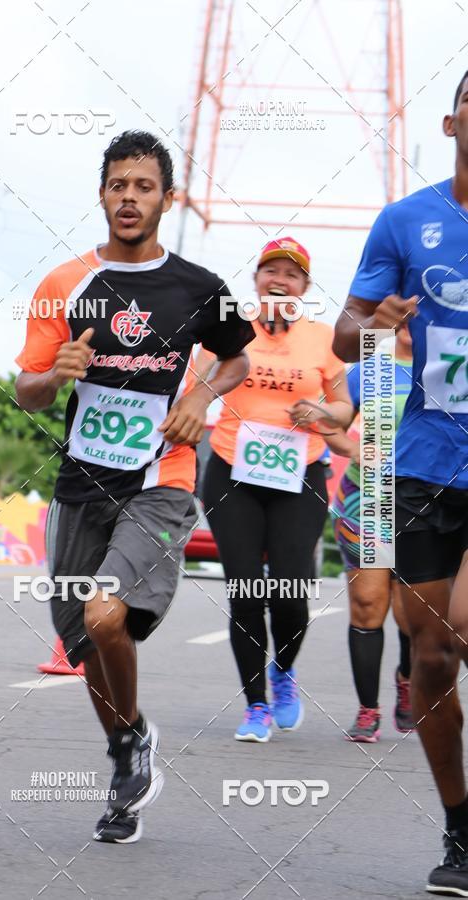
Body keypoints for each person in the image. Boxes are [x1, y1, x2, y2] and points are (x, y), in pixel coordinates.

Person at [14, 130, 254, 844]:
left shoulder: (199, 288)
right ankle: (129, 747)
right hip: (81, 485)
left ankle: (128, 745)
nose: (129, 197)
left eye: (143, 186)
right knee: (86, 641)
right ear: (101, 195)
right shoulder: (64, 284)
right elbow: (26, 389)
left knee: (103, 616)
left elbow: (238, 359)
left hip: (161, 481)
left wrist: (201, 393)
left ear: (166, 199)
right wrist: (54, 374)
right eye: (118, 185)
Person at [332, 70, 468, 895]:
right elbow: (345, 334)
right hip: (421, 466)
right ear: (452, 123)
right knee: (432, 658)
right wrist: (375, 326)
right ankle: (460, 827)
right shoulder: (406, 220)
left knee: (462, 624)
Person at [199, 238, 354, 742]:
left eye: (292, 274)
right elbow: (195, 385)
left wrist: (321, 412)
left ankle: (283, 673)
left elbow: (343, 410)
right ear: (257, 279)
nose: (280, 281)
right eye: (271, 271)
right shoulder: (230, 327)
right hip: (232, 473)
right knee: (246, 592)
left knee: (290, 594)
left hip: (300, 475)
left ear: (304, 286)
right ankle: (256, 706)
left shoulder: (323, 339)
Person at [327, 324, 414, 742]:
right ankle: (368, 710)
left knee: (414, 615)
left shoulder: (454, 368)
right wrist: (351, 447)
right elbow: (331, 421)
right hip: (369, 500)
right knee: (367, 604)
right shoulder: (371, 369)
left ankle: (407, 679)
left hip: (431, 505)